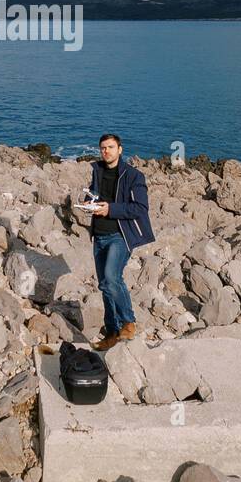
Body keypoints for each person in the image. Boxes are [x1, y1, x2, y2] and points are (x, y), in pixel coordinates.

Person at [86, 133, 155, 351]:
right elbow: (96, 196)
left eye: (110, 147)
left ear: (120, 150)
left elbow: (140, 208)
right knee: (105, 286)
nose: (106, 151)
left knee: (111, 278)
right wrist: (90, 203)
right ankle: (112, 333)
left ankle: (128, 322)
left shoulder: (134, 176)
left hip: (120, 235)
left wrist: (110, 209)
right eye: (103, 148)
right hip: (99, 235)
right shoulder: (97, 171)